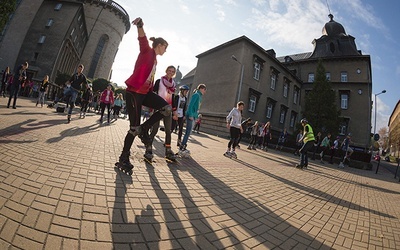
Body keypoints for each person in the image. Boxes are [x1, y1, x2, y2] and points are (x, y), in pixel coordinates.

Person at [117, 17, 172, 172]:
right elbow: (142, 39)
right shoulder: (147, 51)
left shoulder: (155, 59)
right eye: (165, 48)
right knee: (133, 129)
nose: (165, 51)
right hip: (134, 93)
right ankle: (124, 157)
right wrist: (140, 25)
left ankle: (144, 128)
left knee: (166, 109)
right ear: (159, 45)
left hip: (146, 93)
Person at [148, 65, 178, 162]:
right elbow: (153, 94)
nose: (170, 72)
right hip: (158, 107)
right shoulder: (159, 81)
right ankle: (148, 149)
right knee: (154, 129)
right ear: (166, 71)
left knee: (168, 131)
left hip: (168, 109)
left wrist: (174, 111)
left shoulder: (173, 84)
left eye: (172, 71)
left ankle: (168, 151)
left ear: (174, 73)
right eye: (169, 70)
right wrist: (151, 107)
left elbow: (173, 99)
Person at [178, 84, 207, 156]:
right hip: (190, 115)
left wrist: (196, 117)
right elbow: (191, 105)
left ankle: (184, 145)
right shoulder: (196, 95)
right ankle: (182, 146)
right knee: (188, 132)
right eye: (204, 90)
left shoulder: (200, 96)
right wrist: (190, 115)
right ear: (201, 88)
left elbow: (197, 108)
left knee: (189, 132)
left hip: (193, 116)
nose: (205, 92)